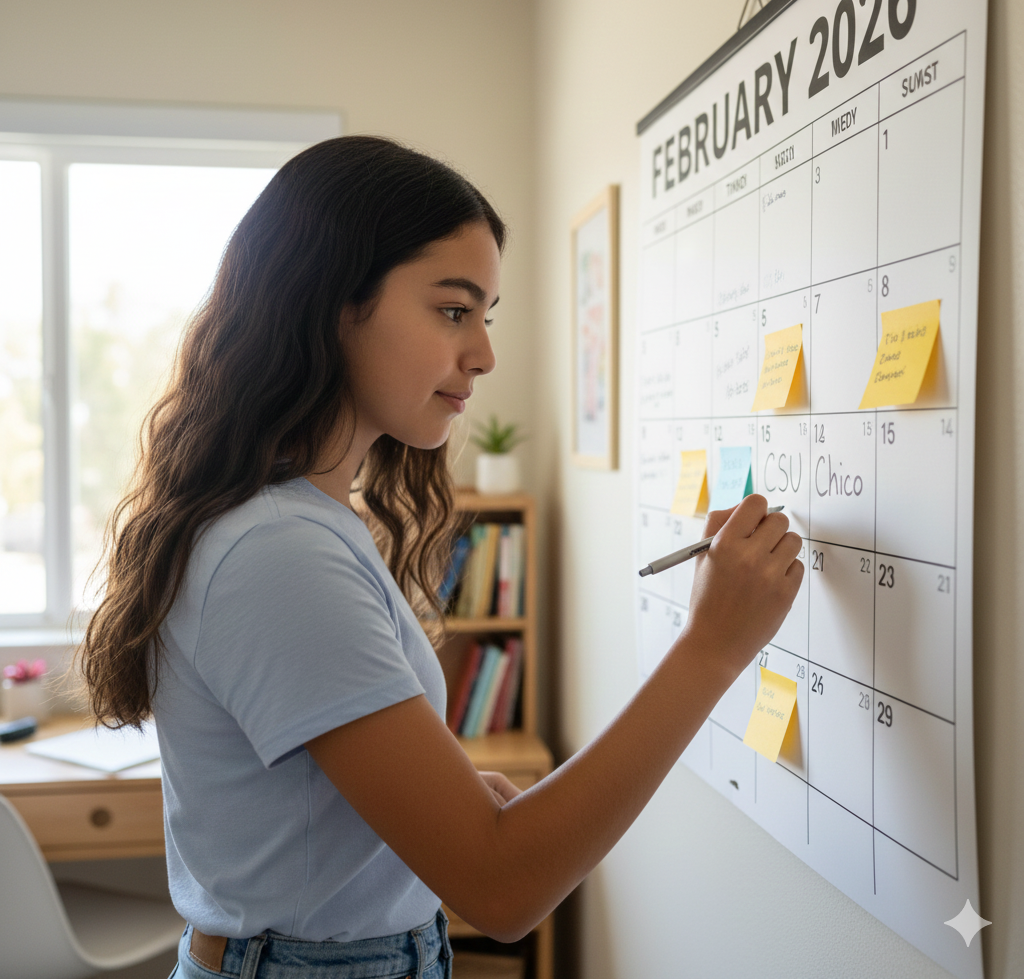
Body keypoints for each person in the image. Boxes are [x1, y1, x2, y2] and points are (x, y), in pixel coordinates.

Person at [79, 136, 803, 979]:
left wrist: (448, 805)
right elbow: (502, 891)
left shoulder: (305, 520)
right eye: (454, 311)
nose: (485, 354)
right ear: (330, 304)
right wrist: (712, 648)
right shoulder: (277, 552)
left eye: (485, 317)